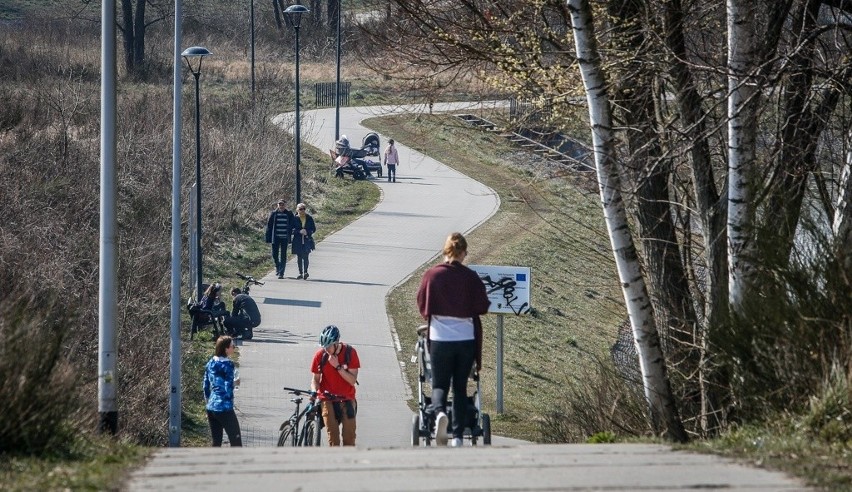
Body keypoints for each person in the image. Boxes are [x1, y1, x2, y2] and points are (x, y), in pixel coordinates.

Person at [416, 232, 490, 447]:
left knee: (439, 384)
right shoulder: (470, 277)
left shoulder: (432, 275)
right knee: (459, 387)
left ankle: (439, 414)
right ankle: (457, 437)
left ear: (445, 251)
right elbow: (482, 306)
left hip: (440, 338)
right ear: (464, 252)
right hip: (466, 339)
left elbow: (422, 304)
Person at [310, 325, 360, 446]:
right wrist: (313, 391)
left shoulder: (350, 353)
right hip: (327, 399)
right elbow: (315, 379)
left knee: (349, 438)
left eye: (328, 346)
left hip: (347, 399)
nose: (326, 350)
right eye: (324, 347)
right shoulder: (320, 356)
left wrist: (337, 366)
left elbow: (352, 380)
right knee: (333, 438)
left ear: (336, 343)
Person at [202, 335, 242, 447]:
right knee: (236, 441)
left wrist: (208, 401)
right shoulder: (228, 365)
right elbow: (227, 387)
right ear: (226, 349)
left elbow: (205, 385)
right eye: (232, 346)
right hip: (224, 408)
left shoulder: (210, 363)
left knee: (216, 442)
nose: (234, 348)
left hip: (211, 407)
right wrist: (236, 383)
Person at [265, 199, 295, 279]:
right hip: (275, 238)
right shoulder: (274, 214)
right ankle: (278, 266)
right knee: (274, 254)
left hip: (285, 238)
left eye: (283, 204)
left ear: (285, 205)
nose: (281, 206)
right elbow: (269, 226)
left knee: (283, 255)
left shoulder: (289, 214)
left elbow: (293, 224)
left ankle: (281, 272)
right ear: (277, 205)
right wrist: (268, 238)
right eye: (280, 204)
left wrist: (292, 232)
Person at [291, 202, 316, 280]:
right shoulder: (294, 218)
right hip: (297, 240)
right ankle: (300, 273)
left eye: (304, 209)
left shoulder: (309, 218)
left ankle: (305, 272)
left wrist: (307, 232)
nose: (302, 210)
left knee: (306, 256)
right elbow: (291, 229)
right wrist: (299, 231)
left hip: (307, 240)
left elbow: (313, 229)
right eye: (300, 209)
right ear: (297, 210)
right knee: (299, 257)